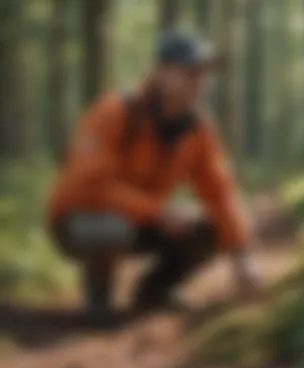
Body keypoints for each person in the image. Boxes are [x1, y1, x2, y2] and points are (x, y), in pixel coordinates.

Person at [46, 30, 261, 315]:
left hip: (143, 218)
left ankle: (154, 293)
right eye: (189, 71)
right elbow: (89, 188)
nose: (198, 81)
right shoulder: (113, 112)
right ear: (160, 72)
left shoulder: (198, 129)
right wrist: (158, 210)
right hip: (78, 221)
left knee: (208, 229)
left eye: (202, 73)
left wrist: (241, 254)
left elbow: (221, 191)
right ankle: (98, 301)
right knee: (110, 228)